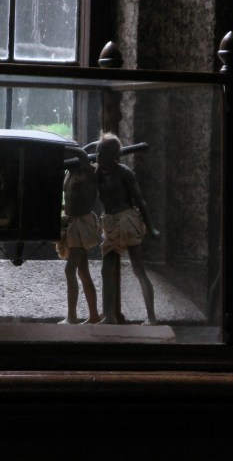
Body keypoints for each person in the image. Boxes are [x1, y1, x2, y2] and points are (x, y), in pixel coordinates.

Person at [96, 132, 160, 325]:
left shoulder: (124, 173)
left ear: (112, 155)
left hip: (127, 221)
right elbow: (84, 160)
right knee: (106, 270)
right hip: (110, 223)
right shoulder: (97, 173)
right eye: (97, 152)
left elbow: (140, 201)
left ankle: (151, 317)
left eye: (101, 153)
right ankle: (110, 315)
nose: (98, 156)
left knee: (138, 269)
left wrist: (152, 227)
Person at [56, 144, 100, 324]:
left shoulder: (87, 172)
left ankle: (72, 316)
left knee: (70, 270)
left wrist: (67, 147)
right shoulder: (69, 172)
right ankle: (94, 315)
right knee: (83, 272)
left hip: (83, 225)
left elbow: (82, 154)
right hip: (72, 223)